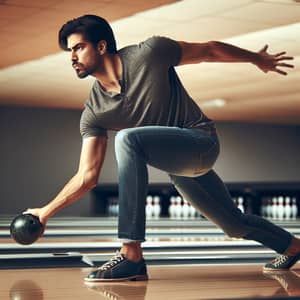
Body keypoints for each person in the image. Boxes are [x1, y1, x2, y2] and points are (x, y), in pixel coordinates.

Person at [24, 14, 299, 282]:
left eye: (78, 48)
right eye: (69, 51)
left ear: (102, 46)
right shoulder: (95, 111)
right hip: (178, 167)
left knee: (127, 138)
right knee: (234, 225)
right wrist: (44, 212)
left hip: (200, 141)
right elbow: (87, 175)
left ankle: (131, 255)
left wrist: (257, 58)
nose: (72, 57)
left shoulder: (150, 53)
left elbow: (210, 50)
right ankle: (292, 247)